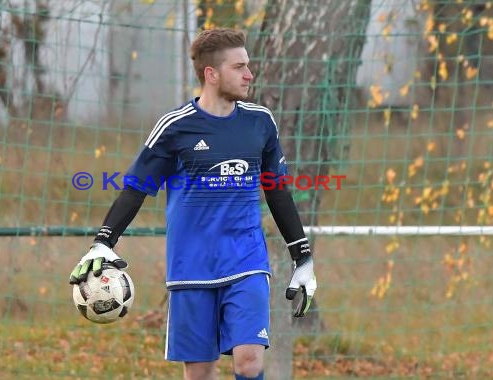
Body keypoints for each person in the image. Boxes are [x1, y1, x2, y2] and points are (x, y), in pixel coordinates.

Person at [69, 28, 317, 380]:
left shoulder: (260, 122)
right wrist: (103, 242)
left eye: (248, 65)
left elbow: (278, 191)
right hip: (191, 267)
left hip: (246, 260)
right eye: (239, 67)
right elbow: (136, 188)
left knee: (250, 360)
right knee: (199, 372)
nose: (250, 75)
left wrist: (302, 257)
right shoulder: (175, 127)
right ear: (211, 74)